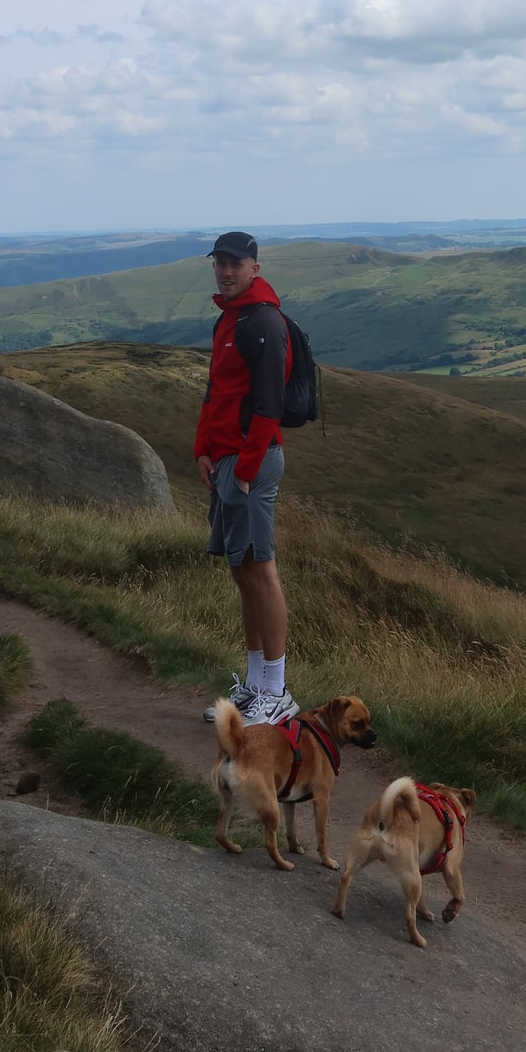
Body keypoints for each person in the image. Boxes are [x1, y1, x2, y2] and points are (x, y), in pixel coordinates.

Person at [195, 229, 297, 726]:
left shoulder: (264, 322)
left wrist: (249, 470)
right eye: (220, 263)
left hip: (250, 464)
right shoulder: (229, 320)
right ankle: (256, 685)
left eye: (236, 263)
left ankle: (277, 692)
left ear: (255, 267)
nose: (227, 271)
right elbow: (216, 392)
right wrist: (201, 449)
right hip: (227, 462)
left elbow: (269, 404)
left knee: (260, 570)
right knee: (241, 573)